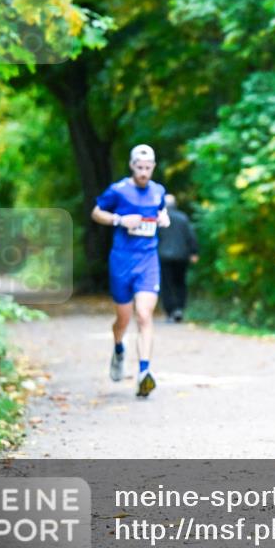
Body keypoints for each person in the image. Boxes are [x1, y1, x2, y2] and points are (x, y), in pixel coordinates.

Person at [91, 144, 170, 398]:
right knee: (123, 320)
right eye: (140, 167)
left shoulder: (158, 190)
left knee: (144, 315)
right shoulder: (119, 190)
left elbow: (161, 210)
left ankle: (144, 373)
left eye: (148, 168)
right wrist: (119, 220)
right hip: (122, 261)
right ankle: (118, 348)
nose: (144, 172)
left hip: (148, 260)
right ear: (132, 166)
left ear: (153, 167)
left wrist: (164, 218)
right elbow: (96, 212)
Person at [157, 194, 199, 322]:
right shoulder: (183, 218)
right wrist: (194, 252)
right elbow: (191, 236)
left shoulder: (159, 219)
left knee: (167, 285)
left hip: (164, 256)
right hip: (181, 256)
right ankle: (179, 308)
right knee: (180, 283)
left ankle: (170, 311)